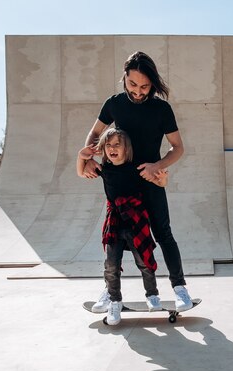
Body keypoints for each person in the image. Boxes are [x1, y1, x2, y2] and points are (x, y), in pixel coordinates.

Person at [81, 51, 192, 315]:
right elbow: (96, 132)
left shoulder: (162, 109)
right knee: (114, 241)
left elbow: (177, 148)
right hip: (119, 183)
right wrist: (88, 156)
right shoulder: (114, 103)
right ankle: (109, 292)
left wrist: (157, 165)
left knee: (163, 234)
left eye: (144, 86)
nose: (138, 92)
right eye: (133, 85)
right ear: (125, 78)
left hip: (150, 181)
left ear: (152, 83)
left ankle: (179, 289)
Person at [77, 128, 168, 325]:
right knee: (111, 264)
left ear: (126, 148)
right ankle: (114, 302)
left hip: (136, 220)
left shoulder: (137, 168)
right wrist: (81, 156)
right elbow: (81, 172)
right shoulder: (105, 168)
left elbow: (159, 183)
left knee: (144, 261)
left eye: (117, 144)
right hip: (115, 222)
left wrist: (163, 179)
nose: (112, 148)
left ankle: (152, 295)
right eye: (108, 145)